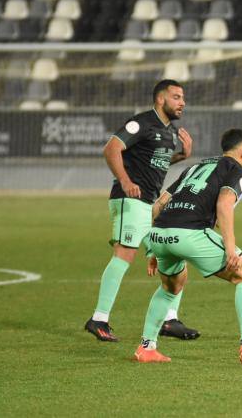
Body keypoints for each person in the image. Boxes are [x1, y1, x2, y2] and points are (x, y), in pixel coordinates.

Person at [135, 129, 242, 365]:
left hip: (159, 234)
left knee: (171, 286)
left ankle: (147, 347)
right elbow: (224, 205)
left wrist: (153, 250)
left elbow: (158, 205)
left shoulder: (195, 167)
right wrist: (230, 248)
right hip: (190, 233)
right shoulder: (236, 170)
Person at [85, 80, 199, 342]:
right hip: (130, 199)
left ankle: (169, 320)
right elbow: (111, 148)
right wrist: (125, 181)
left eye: (183, 97)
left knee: (172, 251)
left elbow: (153, 162)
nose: (182, 102)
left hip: (149, 204)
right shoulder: (142, 122)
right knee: (125, 254)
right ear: (161, 99)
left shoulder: (169, 132)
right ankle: (99, 319)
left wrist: (181, 157)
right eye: (176, 97)